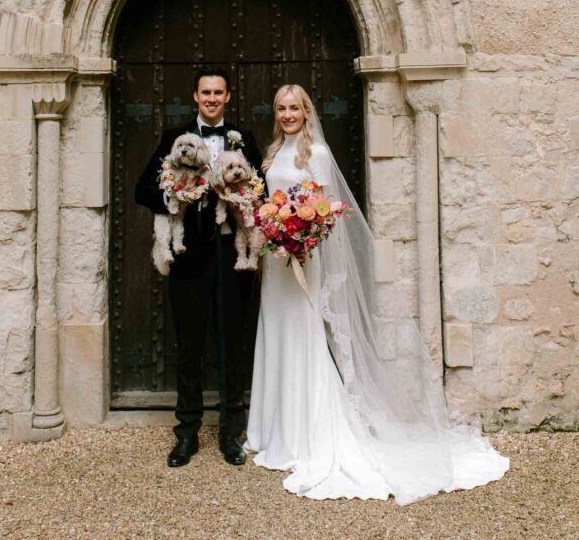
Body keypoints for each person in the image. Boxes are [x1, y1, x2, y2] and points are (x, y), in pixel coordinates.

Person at [245, 84, 510, 504]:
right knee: (276, 332)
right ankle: (271, 430)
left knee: (302, 337)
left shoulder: (317, 155)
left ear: (307, 111)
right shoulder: (274, 152)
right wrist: (273, 228)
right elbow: (269, 203)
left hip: (303, 261)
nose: (288, 114)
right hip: (277, 264)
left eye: (294, 107)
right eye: (281, 107)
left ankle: (301, 436)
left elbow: (327, 212)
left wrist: (300, 235)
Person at [135, 66, 262, 469]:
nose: (211, 98)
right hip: (189, 253)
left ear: (227, 97)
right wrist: (176, 193)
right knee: (189, 344)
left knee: (232, 341)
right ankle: (186, 433)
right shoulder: (176, 138)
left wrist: (245, 199)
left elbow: (261, 191)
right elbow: (143, 190)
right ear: (195, 97)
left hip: (231, 255)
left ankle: (231, 433)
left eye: (218, 93)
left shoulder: (243, 138)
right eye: (205, 92)